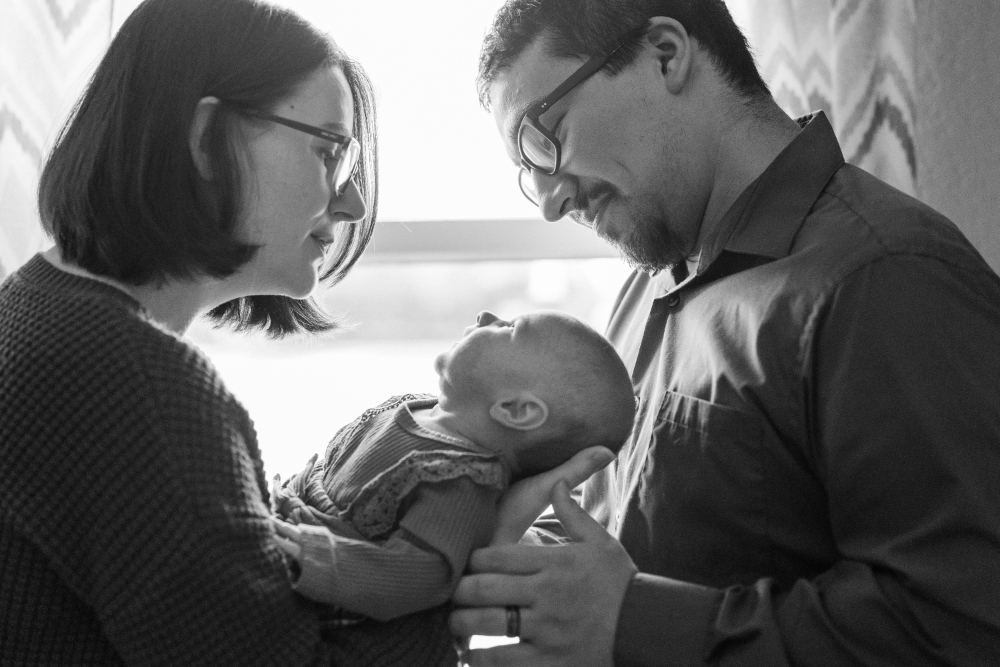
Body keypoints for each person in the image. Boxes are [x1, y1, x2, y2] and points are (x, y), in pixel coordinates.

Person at [0, 0, 613, 664]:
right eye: (329, 150)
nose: (351, 202)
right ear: (208, 140)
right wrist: (456, 592)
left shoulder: (33, 308)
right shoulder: (144, 390)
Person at [448, 1, 1000, 666]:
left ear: (665, 54)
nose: (549, 203)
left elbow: (961, 625)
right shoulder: (643, 291)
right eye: (527, 168)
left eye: (545, 136)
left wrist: (633, 620)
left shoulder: (886, 279)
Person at [270, 309, 636, 667]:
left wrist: (310, 554)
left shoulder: (461, 481)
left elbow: (417, 575)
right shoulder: (413, 408)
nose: (486, 316)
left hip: (348, 620)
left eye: (509, 328)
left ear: (516, 409)